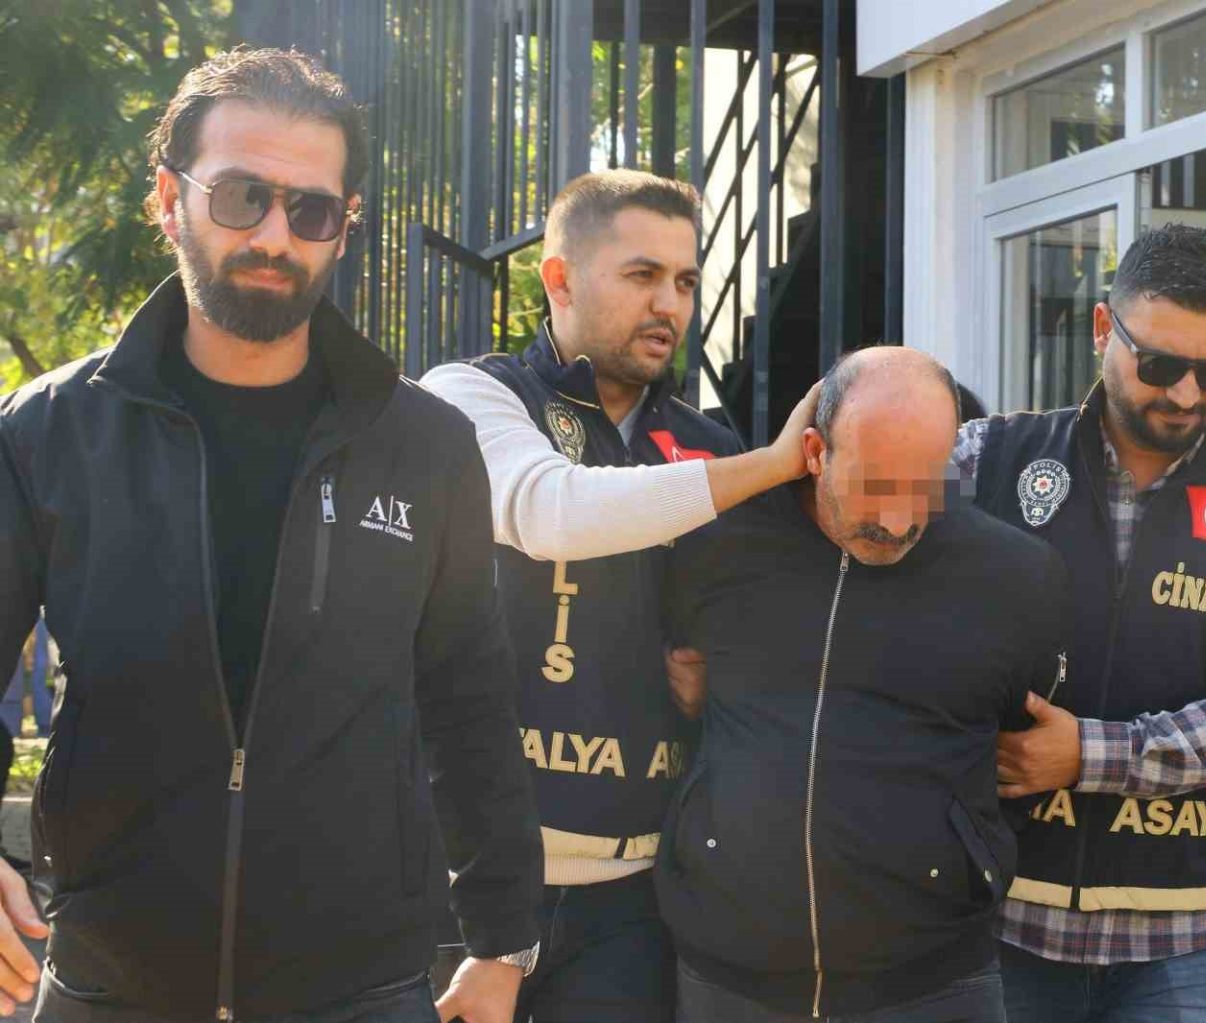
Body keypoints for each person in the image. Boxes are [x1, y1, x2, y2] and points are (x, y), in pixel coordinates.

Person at [0, 48, 542, 1023]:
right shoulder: (48, 432)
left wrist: (503, 941)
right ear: (169, 198)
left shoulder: (425, 446)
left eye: (312, 211)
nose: (275, 236)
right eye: (243, 196)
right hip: (109, 978)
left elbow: (469, 700)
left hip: (360, 987)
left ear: (345, 227)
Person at [422, 168, 817, 1023]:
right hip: (458, 888)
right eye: (642, 275)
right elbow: (549, 508)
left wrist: (716, 686)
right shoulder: (469, 396)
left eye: (685, 281)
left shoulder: (709, 445)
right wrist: (774, 464)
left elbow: (756, 640)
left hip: (633, 901)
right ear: (559, 279)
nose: (668, 304)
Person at [957, 224, 1206, 1022]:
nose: (1187, 394)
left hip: (1187, 942)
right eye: (1159, 364)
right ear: (1103, 328)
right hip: (1000, 919)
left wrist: (1091, 753)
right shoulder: (987, 459)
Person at [656, 346, 1068, 1023]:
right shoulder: (719, 542)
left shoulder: (1016, 577)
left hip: (936, 984)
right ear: (814, 451)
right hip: (730, 975)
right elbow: (667, 685)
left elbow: (1020, 752)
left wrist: (959, 858)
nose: (899, 521)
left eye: (924, 485)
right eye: (876, 484)